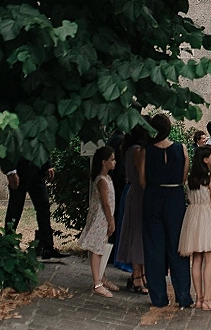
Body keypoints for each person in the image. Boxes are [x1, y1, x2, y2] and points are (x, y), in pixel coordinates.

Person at [139, 113, 192, 309]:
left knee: (153, 247)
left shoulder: (146, 151)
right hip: (175, 196)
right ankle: (183, 295)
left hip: (153, 195)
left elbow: (143, 180)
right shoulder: (182, 149)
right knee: (178, 246)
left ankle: (159, 297)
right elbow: (184, 177)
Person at [179, 145, 211, 311]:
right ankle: (208, 298)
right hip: (206, 216)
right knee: (210, 258)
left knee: (197, 259)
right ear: (205, 160)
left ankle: (199, 298)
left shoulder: (190, 180)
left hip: (193, 216)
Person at [2, 158, 69, 260]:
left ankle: (47, 248)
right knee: (15, 210)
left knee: (44, 208)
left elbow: (42, 143)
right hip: (20, 172)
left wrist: (48, 164)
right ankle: (7, 247)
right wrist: (11, 172)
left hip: (38, 173)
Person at [78, 146, 118, 298]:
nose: (114, 162)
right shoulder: (101, 181)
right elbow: (105, 203)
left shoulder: (107, 178)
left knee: (101, 247)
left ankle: (102, 277)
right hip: (100, 218)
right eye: (112, 160)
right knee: (96, 249)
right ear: (104, 162)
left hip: (102, 217)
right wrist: (110, 220)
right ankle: (97, 282)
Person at [116, 124, 149, 294]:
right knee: (137, 232)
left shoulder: (129, 149)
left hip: (133, 191)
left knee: (137, 231)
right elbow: (143, 175)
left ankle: (140, 273)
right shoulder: (137, 151)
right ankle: (137, 275)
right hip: (139, 193)